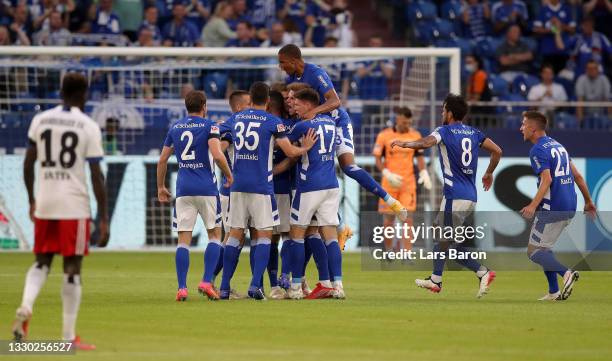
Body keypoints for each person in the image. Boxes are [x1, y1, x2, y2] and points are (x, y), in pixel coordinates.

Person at [14, 72, 109, 349]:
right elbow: (96, 175)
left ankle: (26, 305)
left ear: (60, 91)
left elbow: (27, 163)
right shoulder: (88, 126)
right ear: (84, 94)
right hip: (74, 205)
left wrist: (32, 199)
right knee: (72, 267)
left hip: (45, 201)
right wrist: (104, 217)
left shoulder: (40, 120)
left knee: (42, 261)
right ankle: (68, 338)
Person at [278, 44, 409, 221]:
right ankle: (337, 225)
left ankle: (390, 201)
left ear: (293, 61)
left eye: (282, 62)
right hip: (314, 124)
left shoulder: (316, 73)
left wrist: (313, 113)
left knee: (348, 167)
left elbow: (335, 101)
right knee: (315, 168)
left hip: (336, 121)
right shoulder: (292, 80)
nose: (280, 66)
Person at [391, 93, 502, 298]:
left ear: (450, 113)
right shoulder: (474, 132)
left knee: (443, 238)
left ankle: (476, 273)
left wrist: (406, 144)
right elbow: (497, 151)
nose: (442, 113)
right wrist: (489, 173)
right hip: (470, 195)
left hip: (454, 195)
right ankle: (438, 279)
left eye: (443, 110)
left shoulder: (444, 131)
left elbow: (426, 142)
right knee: (444, 239)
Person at [218, 82, 316, 300]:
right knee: (264, 235)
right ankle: (255, 286)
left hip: (237, 185)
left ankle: (224, 287)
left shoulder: (235, 118)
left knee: (235, 234)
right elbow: (290, 151)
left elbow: (218, 147)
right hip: (262, 186)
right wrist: (306, 148)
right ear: (269, 101)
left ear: (250, 98)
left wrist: (226, 170)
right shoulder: (274, 122)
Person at [156, 90, 233, 301]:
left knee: (183, 240)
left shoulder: (176, 128)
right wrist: (229, 175)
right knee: (215, 236)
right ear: (204, 106)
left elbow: (162, 160)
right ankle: (207, 282)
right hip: (207, 189)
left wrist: (161, 187)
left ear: (186, 106)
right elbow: (217, 155)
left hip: (183, 190)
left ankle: (182, 288)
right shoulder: (211, 127)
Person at [519, 110, 596, 300]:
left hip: (552, 208)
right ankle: (554, 292)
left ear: (533, 128)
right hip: (570, 206)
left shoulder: (537, 150)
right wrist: (588, 201)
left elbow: (547, 179)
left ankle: (566, 274)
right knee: (545, 248)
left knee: (534, 251)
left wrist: (532, 205)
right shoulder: (559, 146)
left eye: (524, 124)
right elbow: (577, 176)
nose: (521, 128)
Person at [281, 88, 344, 300]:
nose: (294, 107)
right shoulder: (331, 123)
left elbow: (283, 145)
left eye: (297, 103)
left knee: (296, 235)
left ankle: (296, 287)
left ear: (308, 105)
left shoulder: (303, 125)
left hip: (309, 186)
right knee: (330, 237)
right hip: (331, 185)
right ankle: (338, 286)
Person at [373, 107, 431, 254]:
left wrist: (424, 171)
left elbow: (419, 157)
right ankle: (388, 251)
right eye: (405, 122)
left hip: (408, 184)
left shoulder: (415, 135)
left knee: (408, 220)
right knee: (388, 220)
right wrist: (386, 173)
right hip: (389, 184)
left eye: (409, 123)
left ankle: (407, 253)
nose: (407, 125)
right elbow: (377, 159)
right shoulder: (384, 135)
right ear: (398, 119)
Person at [533, 0, 576, 74]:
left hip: (563, 50)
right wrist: (552, 29)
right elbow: (536, 29)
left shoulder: (566, 9)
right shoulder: (543, 9)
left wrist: (560, 24)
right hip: (547, 49)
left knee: (562, 75)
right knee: (547, 74)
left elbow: (573, 29)